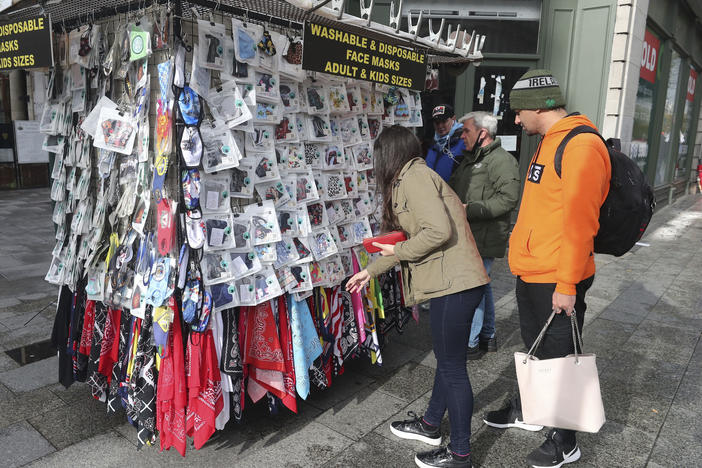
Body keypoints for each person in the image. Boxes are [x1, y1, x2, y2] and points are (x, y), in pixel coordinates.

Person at [482, 69, 611, 468]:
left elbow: (580, 224)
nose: (515, 121)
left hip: (558, 276)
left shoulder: (581, 146)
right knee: (536, 348)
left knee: (560, 355)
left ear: (539, 106)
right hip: (534, 270)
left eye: (519, 113)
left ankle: (566, 440)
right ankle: (528, 409)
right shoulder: (547, 141)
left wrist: (568, 283)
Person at [347, 125, 489, 468]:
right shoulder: (411, 176)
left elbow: (437, 231)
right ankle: (429, 425)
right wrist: (373, 270)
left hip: (453, 282)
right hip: (453, 280)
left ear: (388, 154)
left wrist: (397, 249)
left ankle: (460, 455)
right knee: (448, 358)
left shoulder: (413, 177)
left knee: (453, 367)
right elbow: (415, 239)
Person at [449, 111, 520, 359]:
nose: (462, 136)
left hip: (484, 236)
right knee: (483, 284)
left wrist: (471, 209)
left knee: (473, 286)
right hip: (468, 235)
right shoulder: (469, 158)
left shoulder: (502, 161)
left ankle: (470, 341)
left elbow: (508, 199)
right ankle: (487, 335)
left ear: (483, 133)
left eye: (466, 131)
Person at [425, 104, 466, 181]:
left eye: (444, 121)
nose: (440, 126)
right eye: (437, 122)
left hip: (452, 191)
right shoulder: (433, 142)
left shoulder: (463, 141)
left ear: (453, 119)